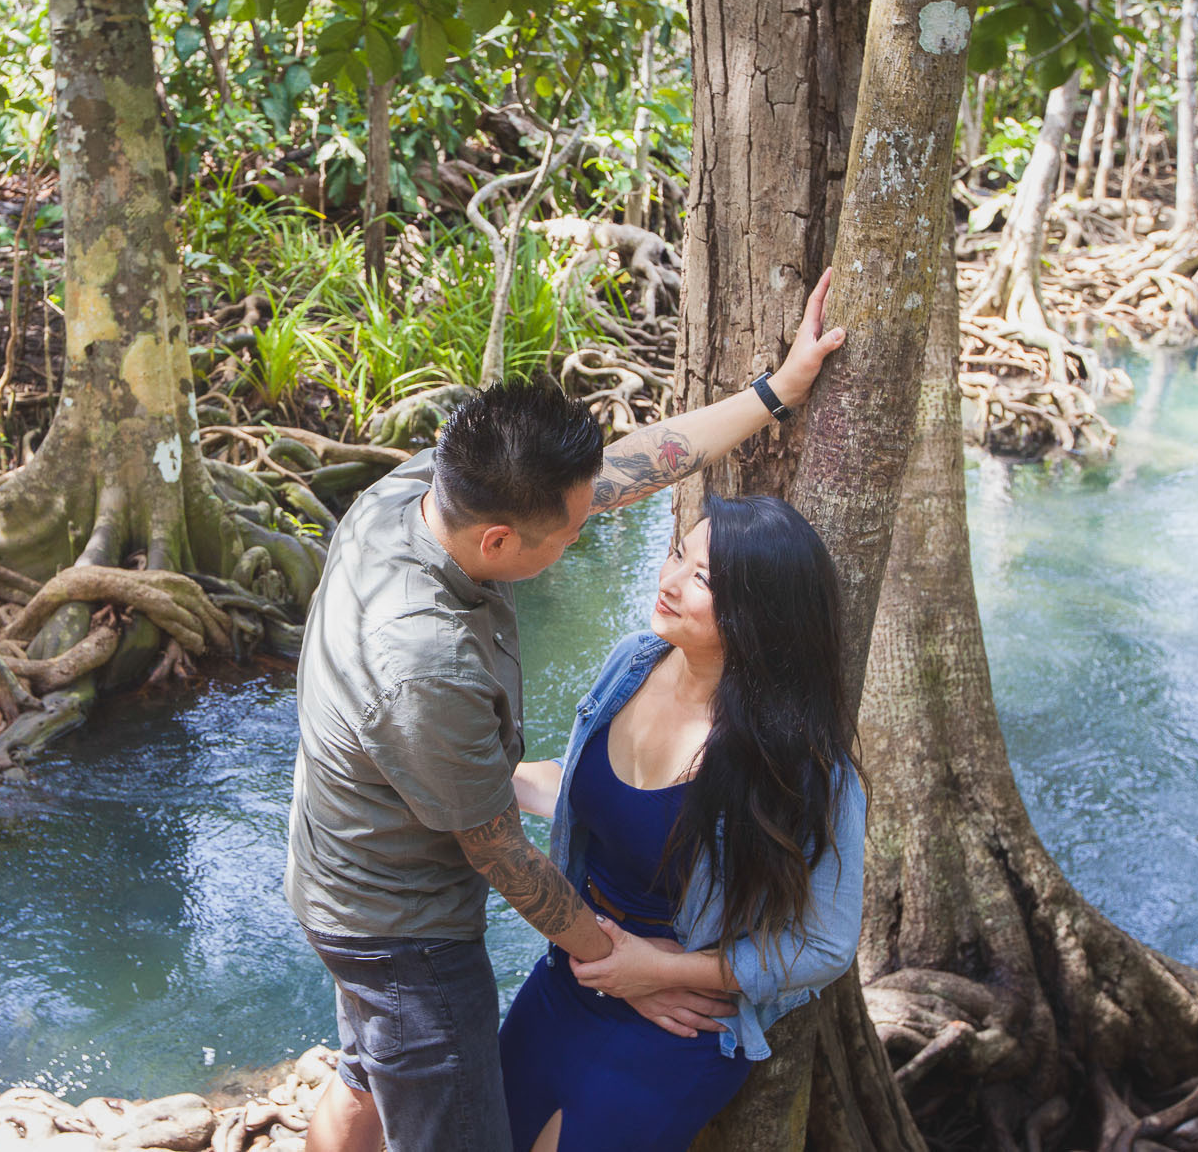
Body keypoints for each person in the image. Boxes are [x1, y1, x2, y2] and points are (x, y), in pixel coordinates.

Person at [286, 273, 847, 1152]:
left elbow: (631, 464)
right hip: (405, 929)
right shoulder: (428, 661)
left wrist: (776, 390)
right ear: (501, 542)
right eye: (571, 533)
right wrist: (629, 970)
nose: (591, 531)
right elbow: (500, 851)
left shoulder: (418, 490)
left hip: (336, 870)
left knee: (366, 1073)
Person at [499, 495, 866, 1152]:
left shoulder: (799, 763)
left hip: (678, 1019)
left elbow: (826, 943)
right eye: (677, 554)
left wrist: (667, 970)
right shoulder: (634, 663)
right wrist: (486, 780)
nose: (667, 580)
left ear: (760, 615)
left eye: (701, 578)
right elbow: (598, 796)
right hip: (573, 967)